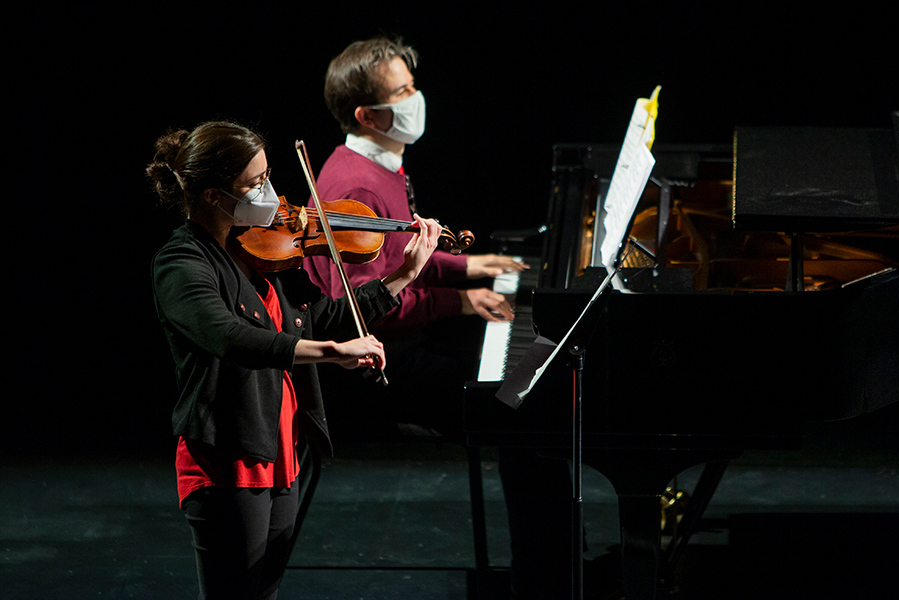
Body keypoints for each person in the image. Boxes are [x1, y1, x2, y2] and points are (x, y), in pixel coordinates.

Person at [304, 38, 577, 600]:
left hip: (406, 340)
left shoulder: (378, 163)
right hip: (376, 368)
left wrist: (470, 264)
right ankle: (545, 580)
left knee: (528, 385)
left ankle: (550, 568)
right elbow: (365, 307)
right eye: (403, 92)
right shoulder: (354, 185)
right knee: (523, 413)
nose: (416, 98)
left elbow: (408, 255)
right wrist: (460, 300)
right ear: (368, 115)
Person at [147, 120, 442, 600]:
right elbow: (232, 337)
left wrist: (403, 276)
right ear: (212, 197)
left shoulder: (259, 251)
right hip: (229, 458)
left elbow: (322, 317)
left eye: (268, 177)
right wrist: (331, 355)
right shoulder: (181, 263)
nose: (271, 194)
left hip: (282, 447)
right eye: (253, 184)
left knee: (265, 592)